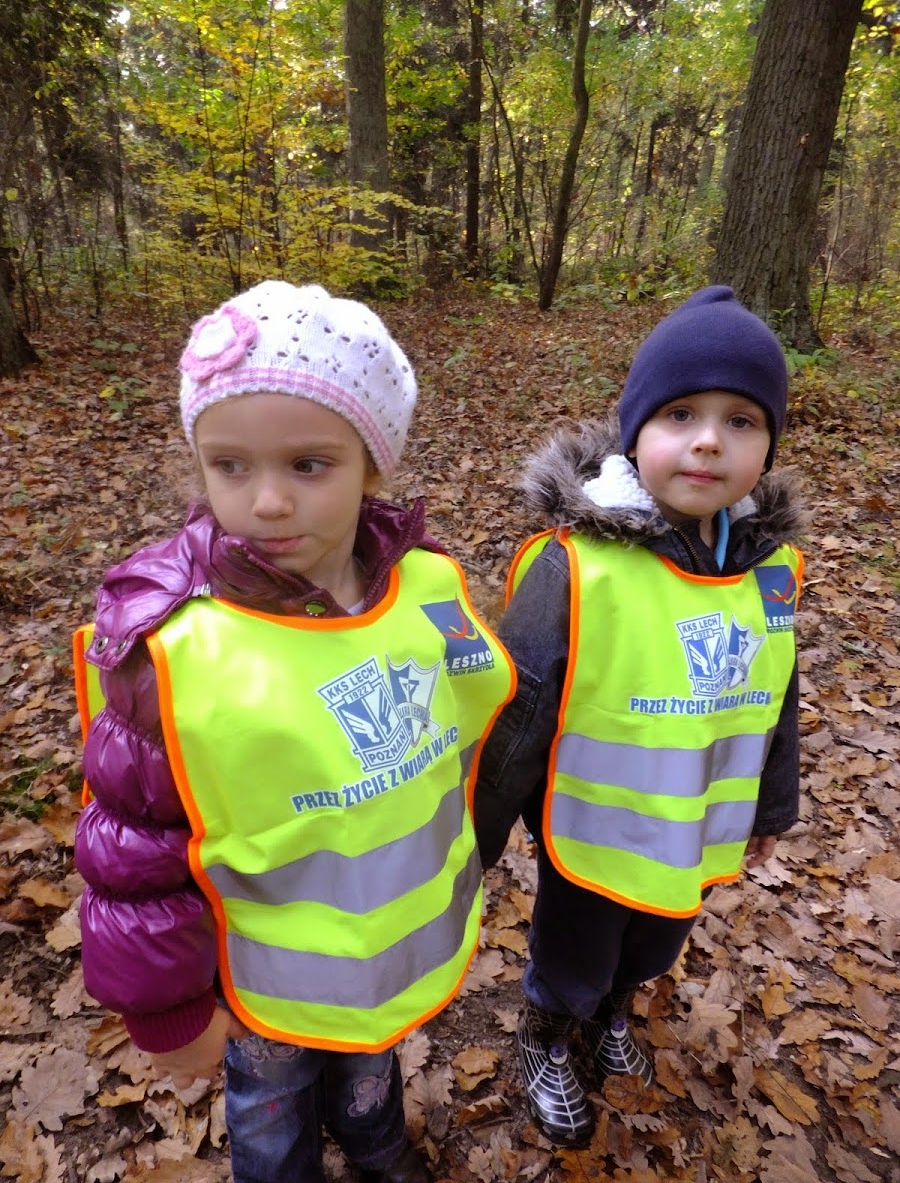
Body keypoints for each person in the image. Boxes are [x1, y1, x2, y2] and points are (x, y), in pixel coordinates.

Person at [73, 280, 516, 1183]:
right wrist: (166, 1011)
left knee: (369, 1066)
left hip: (389, 950)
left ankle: (377, 1144)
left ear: (372, 467)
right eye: (230, 466)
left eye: (309, 465)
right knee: (271, 1114)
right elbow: (129, 851)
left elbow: (464, 740)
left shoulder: (421, 588)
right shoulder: (172, 647)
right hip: (262, 978)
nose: (267, 502)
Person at [474, 285, 804, 1146]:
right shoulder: (577, 566)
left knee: (654, 945)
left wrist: (770, 809)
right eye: (681, 413)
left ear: (767, 446)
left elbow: (776, 694)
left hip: (693, 825)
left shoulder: (769, 571)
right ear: (634, 432)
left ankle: (612, 1012)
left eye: (741, 421)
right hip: (595, 832)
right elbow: (517, 715)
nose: (709, 439)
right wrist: (473, 841)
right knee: (576, 954)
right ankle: (550, 1032)